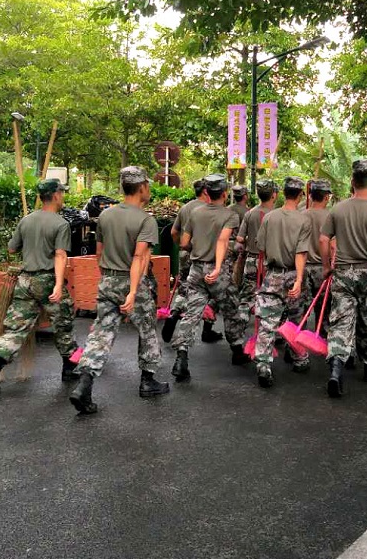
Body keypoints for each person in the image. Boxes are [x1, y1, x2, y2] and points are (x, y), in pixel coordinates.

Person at [69, 167, 169, 415]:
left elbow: (99, 253)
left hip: (108, 280)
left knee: (102, 331)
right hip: (132, 282)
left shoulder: (106, 215)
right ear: (142, 187)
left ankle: (84, 384)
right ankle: (148, 381)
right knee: (147, 329)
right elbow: (139, 258)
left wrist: (108, 279)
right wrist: (133, 292)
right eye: (148, 185)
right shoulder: (146, 220)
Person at [0, 178, 79, 394]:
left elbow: (11, 249)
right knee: (63, 323)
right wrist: (58, 285)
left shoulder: (26, 221)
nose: (62, 197)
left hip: (24, 282)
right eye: (61, 193)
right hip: (47, 280)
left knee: (16, 329)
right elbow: (60, 255)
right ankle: (70, 367)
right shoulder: (61, 224)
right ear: (55, 195)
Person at [319, 159, 367, 397]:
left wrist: (326, 266)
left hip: (343, 272)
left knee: (341, 321)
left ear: (352, 182)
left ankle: (336, 368)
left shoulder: (337, 209)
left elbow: (323, 239)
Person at [170, 174, 246, 381]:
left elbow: (183, 242)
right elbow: (223, 241)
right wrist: (218, 267)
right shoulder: (230, 215)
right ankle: (237, 350)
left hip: (196, 270)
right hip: (217, 272)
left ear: (207, 192)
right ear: (224, 193)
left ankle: (181, 358)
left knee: (192, 313)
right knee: (231, 310)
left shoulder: (195, 213)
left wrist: (196, 249)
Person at [253, 177, 313, 387]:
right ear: (300, 195)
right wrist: (299, 279)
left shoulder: (269, 217)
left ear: (283, 194)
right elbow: (301, 252)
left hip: (273, 274)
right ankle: (298, 358)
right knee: (295, 319)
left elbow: (260, 246)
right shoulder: (304, 220)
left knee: (268, 321)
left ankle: (263, 363)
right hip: (293, 274)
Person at [163, 180, 221, 343]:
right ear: (205, 191)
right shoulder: (211, 209)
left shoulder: (185, 208)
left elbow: (174, 232)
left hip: (185, 253)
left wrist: (183, 246)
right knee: (209, 290)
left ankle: (174, 313)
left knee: (184, 287)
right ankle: (207, 329)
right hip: (205, 256)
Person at [233, 179, 279, 346]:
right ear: (274, 195)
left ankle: (237, 334)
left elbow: (239, 238)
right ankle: (270, 337)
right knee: (272, 299)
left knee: (246, 298)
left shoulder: (250, 213)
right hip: (271, 262)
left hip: (252, 260)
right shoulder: (277, 215)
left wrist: (250, 240)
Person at [297, 178, 333, 338]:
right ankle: (322, 339)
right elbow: (333, 245)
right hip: (323, 267)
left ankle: (297, 340)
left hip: (303, 266)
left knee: (301, 308)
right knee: (324, 307)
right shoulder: (331, 217)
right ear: (326, 197)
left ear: (311, 195)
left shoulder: (301, 216)